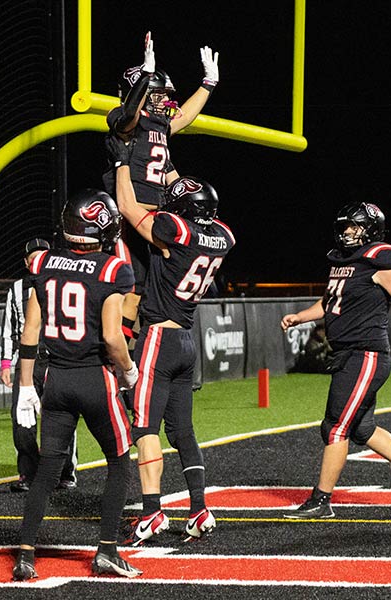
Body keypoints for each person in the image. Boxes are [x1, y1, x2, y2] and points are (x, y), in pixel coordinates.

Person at [108, 135, 235, 545]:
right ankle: (199, 509)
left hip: (160, 341)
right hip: (187, 342)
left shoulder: (175, 231)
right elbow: (188, 201)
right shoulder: (220, 236)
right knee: (183, 432)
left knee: (144, 427)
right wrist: (167, 164)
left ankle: (151, 513)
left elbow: (128, 208)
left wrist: (124, 162)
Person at [12, 190, 142, 580]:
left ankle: (24, 554)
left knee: (48, 468)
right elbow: (112, 337)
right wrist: (129, 372)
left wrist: (25, 388)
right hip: (94, 378)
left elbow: (30, 330)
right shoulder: (112, 270)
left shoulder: (44, 263)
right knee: (119, 462)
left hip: (56, 380)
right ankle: (106, 551)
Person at [279, 202, 391, 519]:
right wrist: (300, 317)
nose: (347, 232)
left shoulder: (381, 258)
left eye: (353, 226)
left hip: (365, 353)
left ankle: (321, 500)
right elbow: (329, 303)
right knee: (362, 429)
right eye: (345, 227)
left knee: (335, 427)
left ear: (369, 228)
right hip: (348, 354)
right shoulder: (342, 260)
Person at [102, 31, 220, 345]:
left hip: (154, 216)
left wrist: (208, 84)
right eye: (156, 94)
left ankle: (138, 349)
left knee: (148, 290)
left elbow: (184, 117)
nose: (164, 101)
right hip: (130, 212)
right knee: (131, 286)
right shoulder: (125, 121)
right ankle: (118, 354)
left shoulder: (159, 127)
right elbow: (128, 115)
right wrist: (146, 77)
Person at [1, 238, 78, 492]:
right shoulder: (15, 290)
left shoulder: (65, 283)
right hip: (28, 364)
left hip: (58, 361)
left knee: (61, 420)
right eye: (32, 258)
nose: (38, 262)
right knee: (22, 421)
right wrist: (4, 363)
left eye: (42, 256)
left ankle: (65, 472)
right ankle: (28, 473)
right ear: (26, 263)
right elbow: (10, 330)